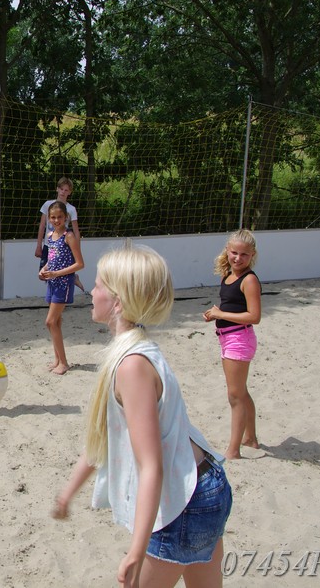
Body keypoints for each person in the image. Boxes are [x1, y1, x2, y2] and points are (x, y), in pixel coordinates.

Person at [52, 244, 231, 587]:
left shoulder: (132, 365)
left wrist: (136, 551)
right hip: (205, 484)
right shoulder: (136, 349)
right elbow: (102, 439)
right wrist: (67, 493)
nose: (92, 291)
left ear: (118, 302)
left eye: (99, 285)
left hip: (186, 499)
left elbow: (152, 465)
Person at [203, 229, 261, 460]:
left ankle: (234, 450)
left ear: (252, 255)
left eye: (244, 254)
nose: (238, 258)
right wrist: (214, 314)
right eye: (234, 252)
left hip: (240, 338)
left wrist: (221, 314)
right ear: (227, 250)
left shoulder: (249, 280)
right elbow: (231, 307)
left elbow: (254, 316)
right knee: (241, 392)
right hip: (227, 337)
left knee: (235, 396)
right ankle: (250, 438)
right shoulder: (227, 276)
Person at [38, 201, 84, 375]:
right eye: (53, 217)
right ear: (49, 218)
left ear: (66, 217)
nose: (56, 220)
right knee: (55, 322)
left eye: (59, 217)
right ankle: (57, 360)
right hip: (52, 283)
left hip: (63, 283)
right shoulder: (50, 236)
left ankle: (64, 363)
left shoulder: (68, 236)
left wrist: (57, 273)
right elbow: (52, 259)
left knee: (50, 321)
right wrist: (44, 270)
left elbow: (80, 264)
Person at [35, 177, 85, 292]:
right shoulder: (48, 204)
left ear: (70, 192)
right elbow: (42, 226)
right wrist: (38, 246)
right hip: (48, 244)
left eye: (66, 190)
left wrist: (77, 249)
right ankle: (71, 280)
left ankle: (58, 294)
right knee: (42, 275)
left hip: (63, 246)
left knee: (57, 272)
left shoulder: (71, 209)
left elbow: (76, 231)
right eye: (61, 189)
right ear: (57, 189)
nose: (63, 192)